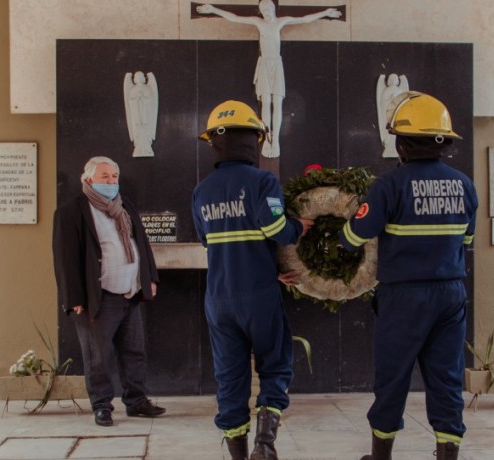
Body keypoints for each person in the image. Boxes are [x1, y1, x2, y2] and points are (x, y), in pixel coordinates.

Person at [338, 92, 477, 460]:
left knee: (393, 377)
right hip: (451, 294)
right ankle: (448, 453)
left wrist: (339, 234)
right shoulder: (464, 185)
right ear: (444, 141)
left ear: (401, 142)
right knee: (447, 377)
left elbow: (354, 237)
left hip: (403, 297)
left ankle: (381, 455)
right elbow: (467, 240)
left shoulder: (389, 186)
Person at [191, 100, 312, 460]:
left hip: (219, 299)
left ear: (215, 142)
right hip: (259, 295)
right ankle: (265, 444)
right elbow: (275, 228)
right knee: (275, 364)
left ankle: (239, 455)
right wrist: (298, 228)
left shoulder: (202, 191)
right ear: (253, 141)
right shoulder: (263, 181)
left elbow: (208, 242)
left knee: (230, 378)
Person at [52, 156, 165, 427]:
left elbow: (142, 246)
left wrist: (149, 278)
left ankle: (136, 402)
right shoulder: (71, 212)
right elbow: (65, 260)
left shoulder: (124, 207)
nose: (111, 182)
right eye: (105, 177)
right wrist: (74, 298)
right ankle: (102, 405)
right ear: (88, 180)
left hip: (130, 293)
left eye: (114, 177)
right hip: (97, 298)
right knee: (98, 357)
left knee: (134, 352)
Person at [196, 0, 341, 158]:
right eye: (262, 8)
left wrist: (326, 12)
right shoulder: (258, 22)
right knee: (266, 102)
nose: (265, 10)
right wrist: (213, 9)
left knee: (277, 102)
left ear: (272, 8)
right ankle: (267, 138)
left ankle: (276, 140)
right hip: (264, 64)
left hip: (276, 65)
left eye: (267, 7)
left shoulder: (280, 21)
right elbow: (235, 18)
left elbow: (305, 19)